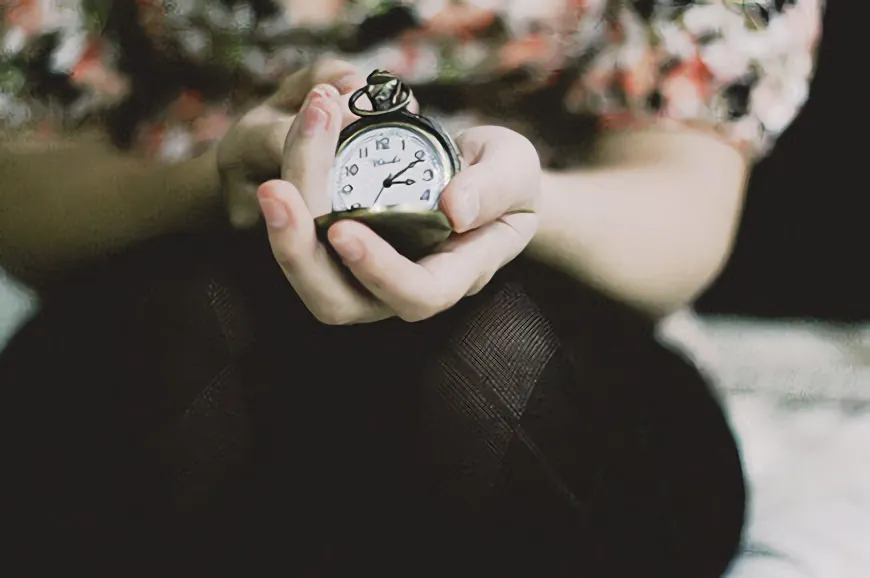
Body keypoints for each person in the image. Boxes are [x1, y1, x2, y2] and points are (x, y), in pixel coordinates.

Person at [0, 0, 823, 575]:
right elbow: (31, 192)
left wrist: (523, 204)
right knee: (180, 373)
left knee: (490, 386)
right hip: (173, 248)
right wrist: (210, 185)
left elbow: (682, 204)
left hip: (563, 275)